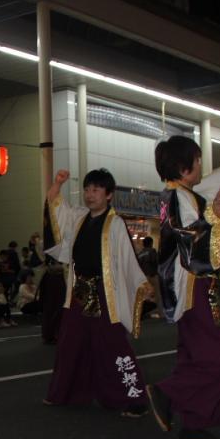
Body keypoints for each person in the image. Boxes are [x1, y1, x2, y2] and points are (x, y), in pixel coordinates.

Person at [44, 168, 152, 415]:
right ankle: (66, 393)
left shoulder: (115, 224)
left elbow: (126, 260)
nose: (89, 194)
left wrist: (141, 285)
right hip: (79, 290)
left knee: (112, 344)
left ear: (109, 195)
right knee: (70, 343)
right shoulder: (80, 217)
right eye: (87, 189)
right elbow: (56, 208)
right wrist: (57, 184)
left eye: (96, 190)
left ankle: (134, 398)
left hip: (105, 293)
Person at [146, 136, 220, 439]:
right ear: (185, 167)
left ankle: (195, 423)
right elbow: (189, 240)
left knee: (195, 355)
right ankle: (167, 393)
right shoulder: (180, 197)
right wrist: (214, 217)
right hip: (198, 287)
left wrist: (211, 216)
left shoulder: (176, 196)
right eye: (196, 159)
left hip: (188, 288)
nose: (200, 165)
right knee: (218, 355)